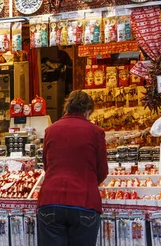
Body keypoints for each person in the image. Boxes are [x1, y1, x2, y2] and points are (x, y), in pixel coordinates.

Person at [37, 90, 108, 245]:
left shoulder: (50, 130)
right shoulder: (95, 131)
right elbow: (102, 170)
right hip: (84, 202)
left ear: (67, 107)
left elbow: (47, 165)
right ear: (88, 110)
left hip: (50, 201)